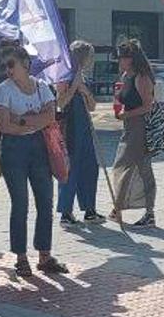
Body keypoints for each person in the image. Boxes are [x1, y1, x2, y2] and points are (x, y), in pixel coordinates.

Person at [0, 44, 68, 276]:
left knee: (45, 201)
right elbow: (5, 125)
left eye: (11, 64)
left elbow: (50, 117)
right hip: (14, 150)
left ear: (25, 64)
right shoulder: (4, 89)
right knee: (20, 203)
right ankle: (21, 256)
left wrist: (23, 120)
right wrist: (33, 121)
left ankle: (44, 254)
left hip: (39, 147)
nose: (7, 70)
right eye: (4, 65)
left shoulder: (42, 87)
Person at [56, 41, 106, 226]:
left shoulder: (82, 77)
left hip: (85, 128)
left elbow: (92, 106)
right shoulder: (64, 76)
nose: (90, 61)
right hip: (70, 127)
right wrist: (73, 86)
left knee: (90, 167)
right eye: (89, 56)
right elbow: (60, 102)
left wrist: (85, 91)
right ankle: (66, 212)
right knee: (70, 168)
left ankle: (89, 209)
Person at [109, 39, 158, 227]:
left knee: (131, 166)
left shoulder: (141, 77)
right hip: (129, 125)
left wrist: (126, 114)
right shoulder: (126, 75)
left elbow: (147, 106)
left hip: (140, 126)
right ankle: (121, 208)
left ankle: (138, 210)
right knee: (129, 167)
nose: (119, 61)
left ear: (131, 59)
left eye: (122, 57)